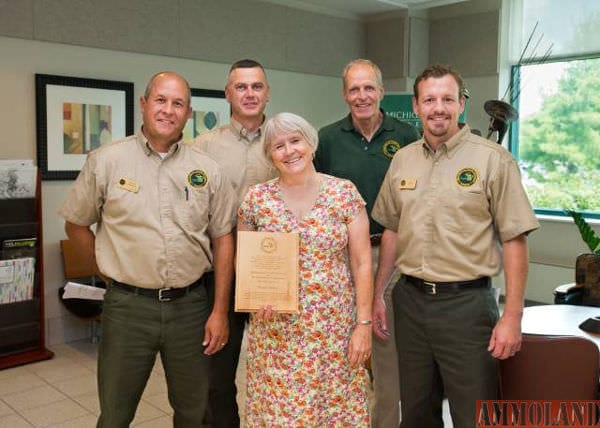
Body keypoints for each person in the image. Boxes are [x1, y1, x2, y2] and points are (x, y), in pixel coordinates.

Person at [59, 71, 237, 428]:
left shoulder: (206, 169)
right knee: (115, 413)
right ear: (143, 104)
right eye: (160, 100)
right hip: (127, 308)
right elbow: (76, 223)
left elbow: (223, 239)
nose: (168, 110)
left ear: (188, 113)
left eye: (178, 104)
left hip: (191, 309)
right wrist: (107, 267)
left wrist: (219, 311)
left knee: (194, 412)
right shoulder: (107, 161)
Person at [371, 64, 540, 428]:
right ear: (415, 106)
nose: (438, 108)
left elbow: (515, 239)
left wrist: (513, 316)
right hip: (410, 302)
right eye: (429, 100)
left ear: (461, 104)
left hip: (467, 307)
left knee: (475, 414)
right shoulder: (403, 159)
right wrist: (379, 294)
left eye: (447, 99)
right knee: (415, 411)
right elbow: (391, 231)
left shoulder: (493, 160)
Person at [238, 112, 373, 426]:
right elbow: (247, 263)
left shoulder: (344, 194)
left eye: (295, 141)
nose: (289, 151)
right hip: (276, 335)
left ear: (310, 143)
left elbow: (362, 262)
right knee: (279, 415)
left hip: (333, 332)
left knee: (334, 413)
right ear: (270, 156)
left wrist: (363, 324)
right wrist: (256, 301)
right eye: (278, 146)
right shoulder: (257, 199)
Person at [314, 58, 419, 428]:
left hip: (392, 254)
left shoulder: (406, 137)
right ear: (345, 94)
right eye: (354, 89)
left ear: (381, 91)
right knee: (343, 346)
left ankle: (385, 423)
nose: (362, 96)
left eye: (369, 87)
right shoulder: (325, 139)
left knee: (386, 349)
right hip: (341, 259)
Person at [193, 58, 277, 428]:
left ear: (267, 93)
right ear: (227, 93)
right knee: (216, 373)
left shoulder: (285, 141)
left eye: (256, 86)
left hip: (274, 274)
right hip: (220, 273)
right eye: (241, 87)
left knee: (279, 369)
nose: (249, 93)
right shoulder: (202, 148)